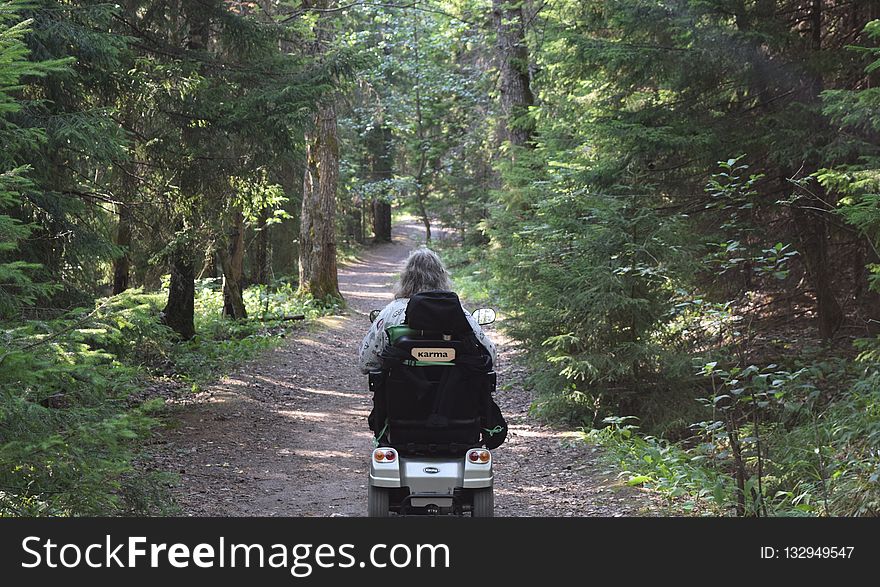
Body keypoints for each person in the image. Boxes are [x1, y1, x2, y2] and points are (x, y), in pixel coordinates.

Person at [359, 247, 496, 374]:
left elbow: (366, 363)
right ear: (441, 277)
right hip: (454, 397)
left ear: (406, 278)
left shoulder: (390, 314)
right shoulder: (459, 313)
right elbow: (491, 356)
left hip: (400, 396)